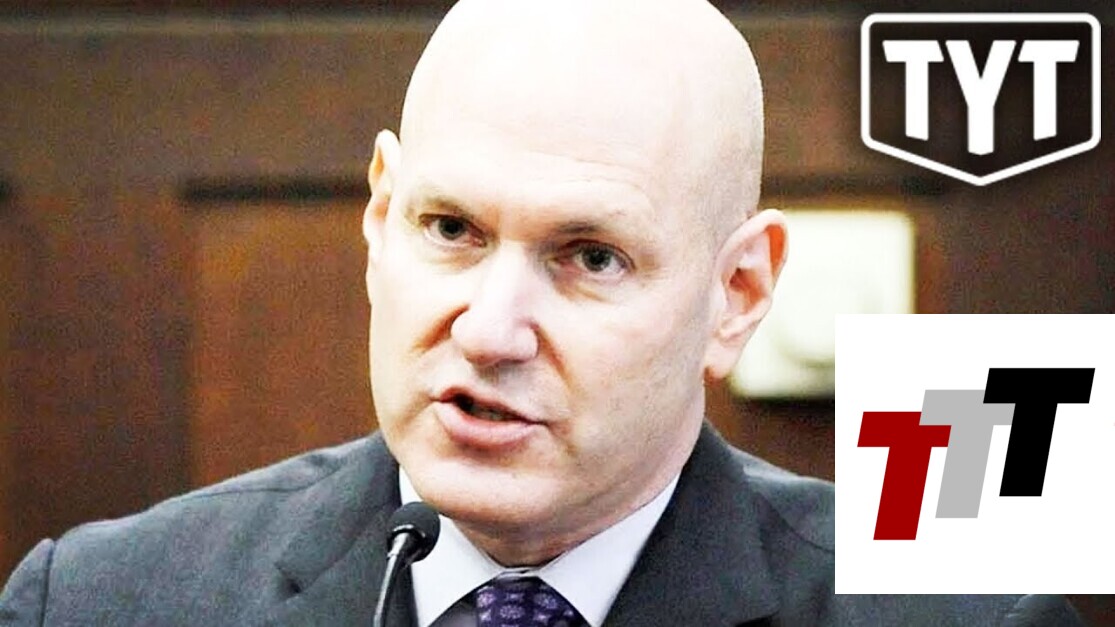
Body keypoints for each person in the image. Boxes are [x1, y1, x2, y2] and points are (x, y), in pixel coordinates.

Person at [0, 1, 1081, 625]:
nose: (488, 330)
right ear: (379, 215)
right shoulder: (97, 602)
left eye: (590, 257)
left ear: (736, 294)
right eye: (450, 229)